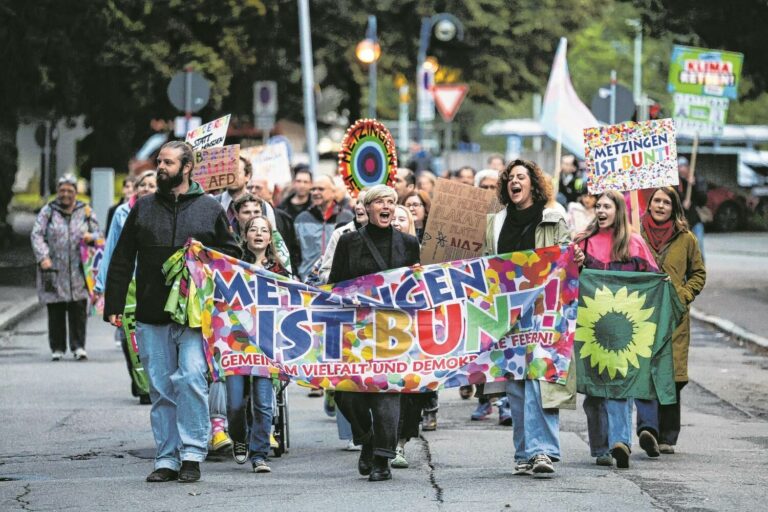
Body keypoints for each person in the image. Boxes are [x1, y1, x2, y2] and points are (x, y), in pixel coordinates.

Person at [104, 141, 239, 484]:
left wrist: (206, 263)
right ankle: (167, 457)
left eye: (167, 162)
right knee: (161, 388)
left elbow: (231, 259)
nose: (160, 167)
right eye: (159, 161)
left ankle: (193, 454)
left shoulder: (209, 208)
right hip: (151, 312)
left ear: (187, 167)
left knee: (193, 377)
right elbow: (122, 257)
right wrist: (114, 304)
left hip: (194, 317)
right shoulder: (143, 207)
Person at [484, 159, 582, 476]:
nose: (515, 181)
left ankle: (543, 450)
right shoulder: (495, 223)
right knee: (515, 384)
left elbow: (568, 260)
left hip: (544, 311)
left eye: (521, 176)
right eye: (510, 177)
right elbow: (486, 265)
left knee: (540, 378)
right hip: (507, 313)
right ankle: (524, 452)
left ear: (532, 184)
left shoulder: (553, 219)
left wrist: (576, 256)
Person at [329, 185, 420, 482]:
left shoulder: (408, 243)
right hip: (356, 331)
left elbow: (416, 288)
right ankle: (367, 440)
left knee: (388, 394)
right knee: (347, 395)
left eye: (392, 202)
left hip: (394, 332)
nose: (387, 206)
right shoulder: (348, 242)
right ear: (367, 208)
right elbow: (335, 285)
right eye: (380, 201)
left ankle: (382, 458)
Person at [574, 190, 658, 469]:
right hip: (591, 327)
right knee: (595, 389)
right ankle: (600, 447)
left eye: (607, 206)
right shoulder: (583, 244)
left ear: (618, 210)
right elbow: (568, 280)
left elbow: (653, 281)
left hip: (625, 330)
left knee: (621, 385)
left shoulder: (635, 244)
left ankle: (620, 442)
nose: (600, 210)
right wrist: (574, 261)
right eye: (597, 206)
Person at [635, 187, 706, 456]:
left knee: (673, 376)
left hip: (674, 317)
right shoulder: (636, 234)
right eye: (657, 201)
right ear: (649, 204)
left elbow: (698, 273)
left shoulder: (687, 239)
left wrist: (683, 296)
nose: (661, 205)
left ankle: (667, 435)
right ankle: (648, 430)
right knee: (645, 371)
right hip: (643, 313)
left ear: (674, 207)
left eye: (666, 202)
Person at [228, 216, 289, 474]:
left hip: (266, 345)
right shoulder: (232, 266)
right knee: (235, 405)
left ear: (270, 238)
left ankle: (259, 454)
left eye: (264, 230)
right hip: (236, 344)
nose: (259, 233)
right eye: (253, 229)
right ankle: (240, 438)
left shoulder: (279, 271)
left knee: (264, 404)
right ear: (245, 236)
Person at [95, 170, 156, 404]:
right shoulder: (122, 212)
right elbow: (112, 248)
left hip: (152, 281)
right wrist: (103, 284)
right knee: (127, 334)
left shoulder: (162, 210)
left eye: (152, 185)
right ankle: (140, 382)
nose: (146, 189)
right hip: (129, 281)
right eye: (143, 184)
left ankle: (151, 381)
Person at [31, 174, 101, 361]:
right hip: (54, 268)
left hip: (79, 269)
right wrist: (43, 256)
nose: (66, 194)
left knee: (78, 307)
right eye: (62, 190)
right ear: (58, 192)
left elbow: (98, 234)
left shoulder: (85, 210)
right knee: (56, 308)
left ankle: (79, 347)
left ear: (76, 193)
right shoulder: (48, 211)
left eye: (70, 190)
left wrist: (90, 238)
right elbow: (36, 234)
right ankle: (58, 348)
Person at [295, 174, 353, 281]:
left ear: (333, 192)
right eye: (313, 189)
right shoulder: (302, 218)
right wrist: (297, 274)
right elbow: (294, 251)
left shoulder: (347, 217)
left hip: (337, 280)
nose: (315, 193)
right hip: (307, 281)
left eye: (320, 189)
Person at [676, 156, 708, 258]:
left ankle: (699, 273)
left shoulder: (696, 180)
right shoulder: (676, 183)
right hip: (681, 223)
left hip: (695, 222)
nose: (682, 169)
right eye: (679, 166)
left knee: (698, 251)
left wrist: (694, 185)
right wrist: (682, 204)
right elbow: (673, 201)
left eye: (684, 166)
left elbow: (702, 201)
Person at [216, 156, 252, 230]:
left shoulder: (263, 206)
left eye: (236, 172)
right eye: (227, 172)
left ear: (247, 176)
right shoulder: (213, 204)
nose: (231, 177)